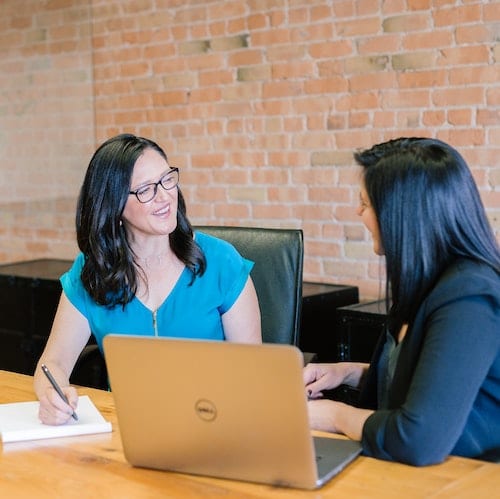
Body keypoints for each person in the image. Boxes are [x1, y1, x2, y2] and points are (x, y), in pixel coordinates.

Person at [34, 133, 261, 424]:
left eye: (167, 179)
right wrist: (52, 397)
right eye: (145, 190)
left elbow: (253, 373)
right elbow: (53, 363)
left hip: (213, 424)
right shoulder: (91, 273)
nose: (165, 196)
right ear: (114, 206)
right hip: (127, 430)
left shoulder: (221, 262)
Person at [303, 137, 500, 465]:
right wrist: (347, 373)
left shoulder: (469, 298)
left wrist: (334, 416)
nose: (358, 212)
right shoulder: (427, 281)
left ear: (400, 215)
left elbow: (418, 438)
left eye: (365, 203)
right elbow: (425, 381)